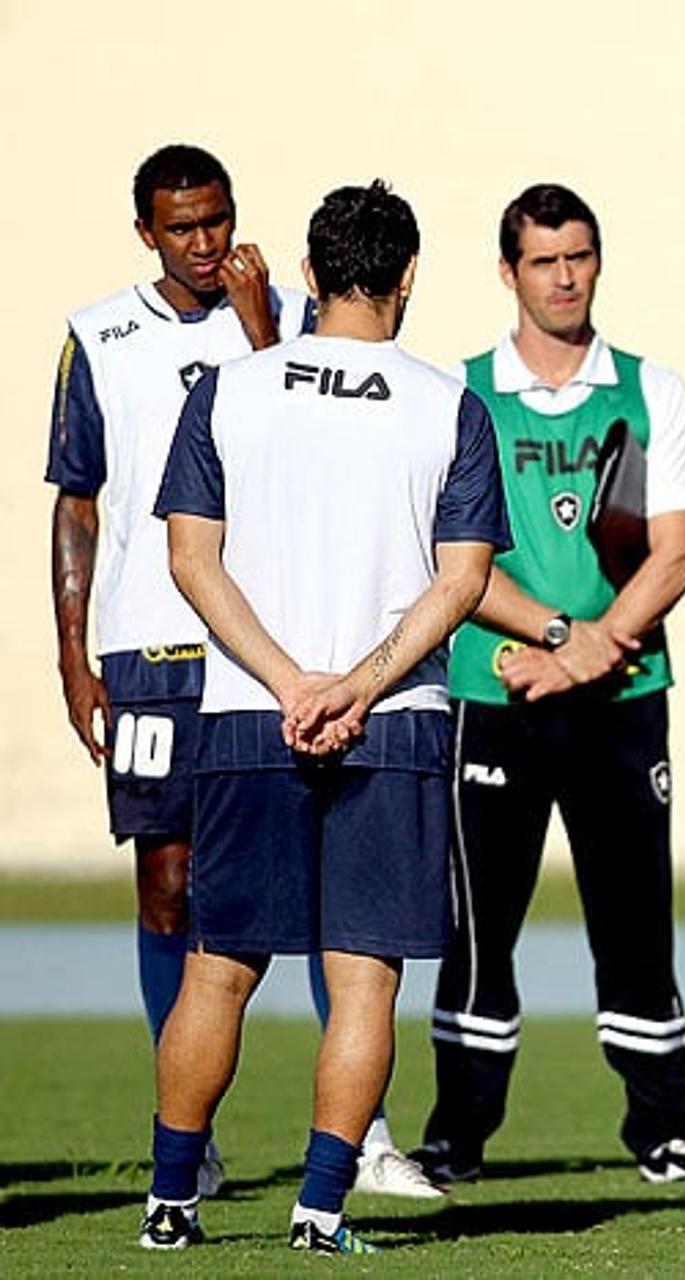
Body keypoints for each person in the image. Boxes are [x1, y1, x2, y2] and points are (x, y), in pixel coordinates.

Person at [140, 180, 509, 1253]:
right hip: (392, 718)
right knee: (363, 976)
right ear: (406, 277)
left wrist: (293, 678)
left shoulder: (227, 389)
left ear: (307, 274)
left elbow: (189, 559)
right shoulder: (450, 403)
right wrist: (357, 682)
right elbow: (464, 580)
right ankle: (319, 1209)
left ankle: (170, 1202)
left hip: (252, 711)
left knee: (220, 963)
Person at [411, 183, 685, 1188]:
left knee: (635, 916)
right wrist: (550, 637)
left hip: (622, 697)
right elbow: (451, 558)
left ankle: (664, 1125)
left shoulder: (650, 388)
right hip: (492, 692)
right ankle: (458, 1129)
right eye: (543, 260)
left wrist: (589, 650)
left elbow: (676, 552)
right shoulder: (462, 396)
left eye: (579, 255)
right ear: (509, 271)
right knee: (476, 924)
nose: (565, 276)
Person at [47, 144, 309, 1200]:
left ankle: (359, 1120)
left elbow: (300, 443)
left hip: (260, 645)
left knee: (298, 882)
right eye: (182, 227)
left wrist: (259, 329)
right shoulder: (99, 335)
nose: (206, 246)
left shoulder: (290, 316)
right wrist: (73, 654)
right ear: (147, 231)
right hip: (149, 648)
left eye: (219, 221)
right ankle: (184, 1134)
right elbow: (77, 500)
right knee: (166, 886)